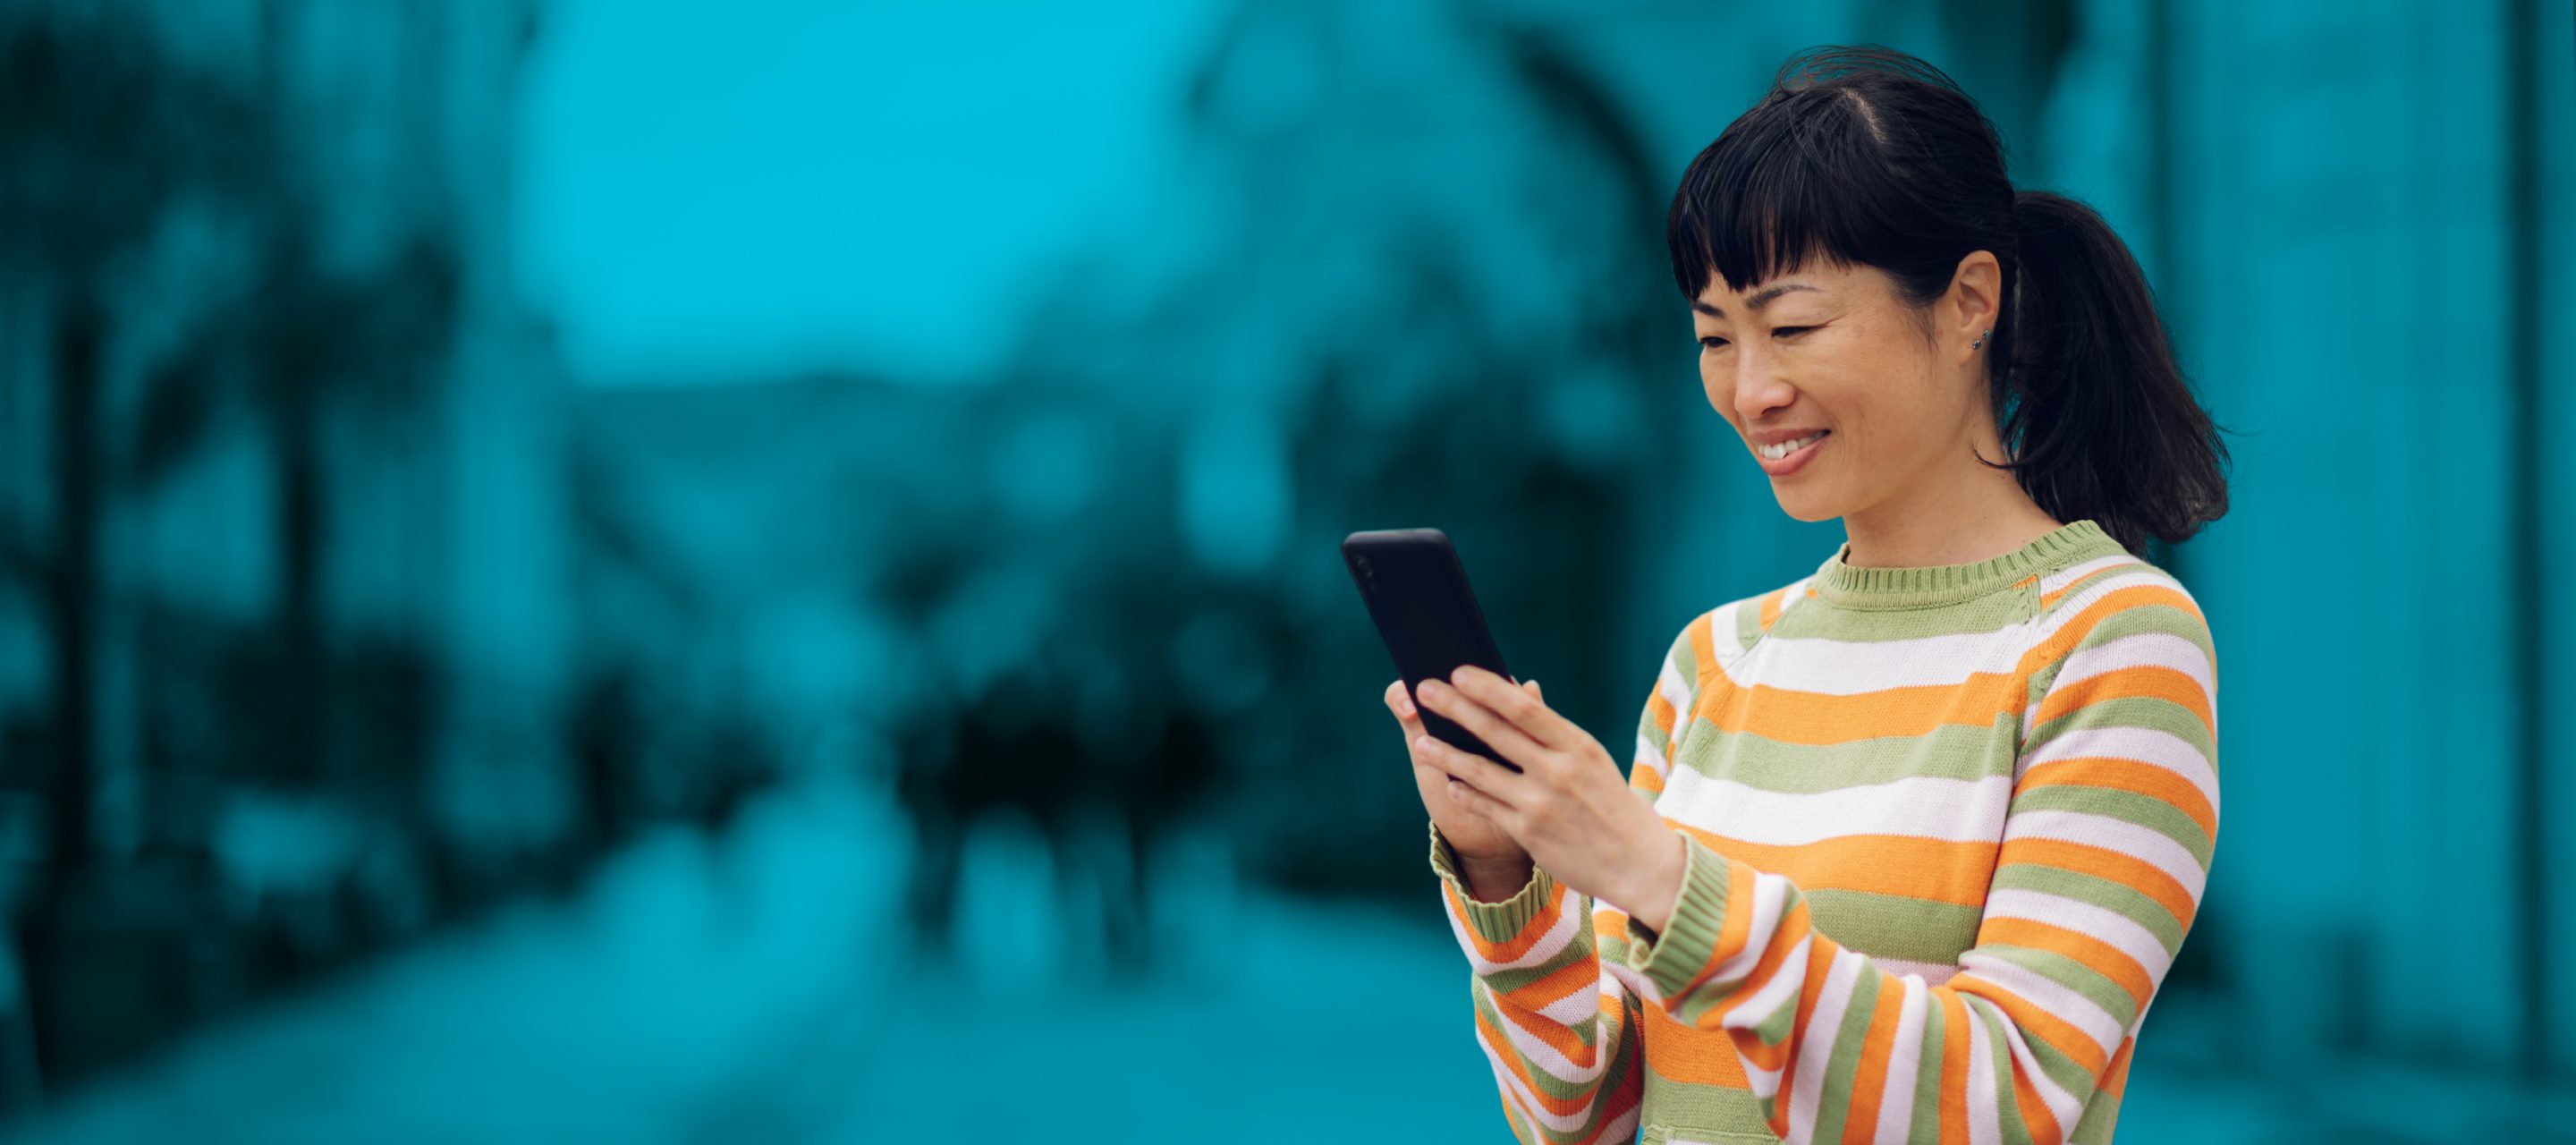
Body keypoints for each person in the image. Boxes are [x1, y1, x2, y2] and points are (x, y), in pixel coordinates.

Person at [1383, 45, 2226, 1145]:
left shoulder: (2115, 641)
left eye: (1792, 328)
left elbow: (2006, 1103)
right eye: (1712, 339)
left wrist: (1668, 880)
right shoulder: (1717, 660)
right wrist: (1505, 874)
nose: (1751, 389)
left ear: (1970, 301)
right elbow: (1580, 1118)